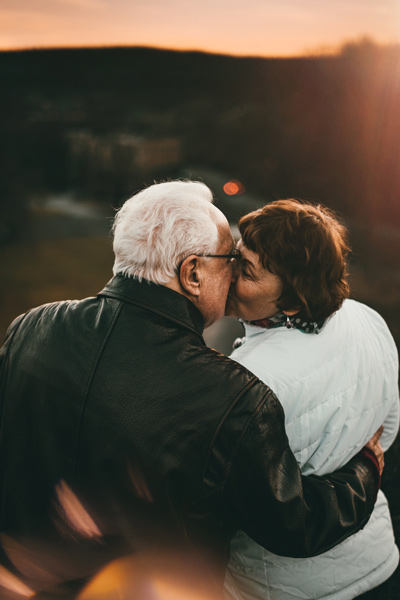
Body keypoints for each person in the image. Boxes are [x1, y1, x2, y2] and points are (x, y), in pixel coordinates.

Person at [0, 182, 383, 599]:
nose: (236, 270)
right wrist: (365, 469)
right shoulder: (230, 396)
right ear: (193, 273)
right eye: (230, 258)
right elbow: (296, 523)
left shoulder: (31, 326)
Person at [224, 199, 399, 600]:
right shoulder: (368, 318)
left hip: (284, 587)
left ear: (291, 300)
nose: (229, 274)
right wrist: (361, 463)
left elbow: (240, 508)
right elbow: (385, 433)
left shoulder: (245, 379)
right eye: (236, 256)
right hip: (378, 562)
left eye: (246, 270)